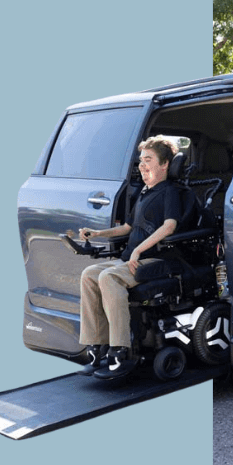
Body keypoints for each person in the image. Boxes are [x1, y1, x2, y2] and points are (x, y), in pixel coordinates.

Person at [75, 136, 183, 379]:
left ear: (164, 164)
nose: (142, 165)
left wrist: (138, 249)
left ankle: (120, 350)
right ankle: (96, 346)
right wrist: (98, 233)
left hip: (155, 259)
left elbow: (169, 226)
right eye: (141, 161)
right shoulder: (144, 193)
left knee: (109, 277)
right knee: (89, 275)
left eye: (148, 160)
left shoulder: (170, 192)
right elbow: (127, 227)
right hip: (131, 259)